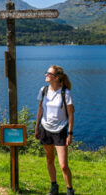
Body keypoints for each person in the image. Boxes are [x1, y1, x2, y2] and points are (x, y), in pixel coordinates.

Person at [35, 65, 75, 195]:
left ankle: (69, 190)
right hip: (45, 129)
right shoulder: (43, 90)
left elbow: (71, 115)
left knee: (63, 165)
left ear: (56, 77)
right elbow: (40, 109)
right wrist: (36, 128)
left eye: (48, 73)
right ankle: (54, 187)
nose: (46, 75)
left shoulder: (65, 93)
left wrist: (70, 133)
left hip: (60, 131)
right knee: (49, 159)